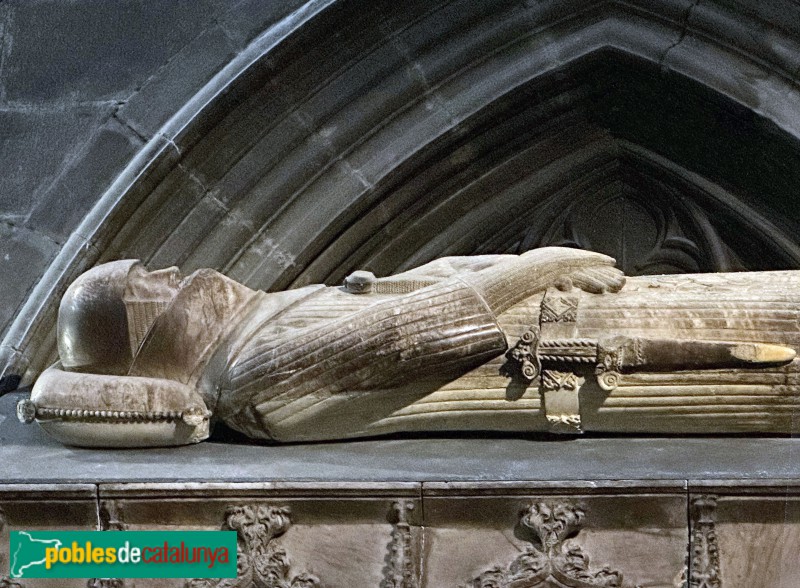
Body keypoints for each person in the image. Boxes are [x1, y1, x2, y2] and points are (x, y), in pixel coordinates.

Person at [18, 248, 798, 446]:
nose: (170, 273)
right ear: (145, 335)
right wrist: (541, 264)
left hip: (568, 318)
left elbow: (411, 288)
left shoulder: (250, 325)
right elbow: (417, 334)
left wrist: (506, 268)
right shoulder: (249, 370)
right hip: (578, 352)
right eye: (146, 286)